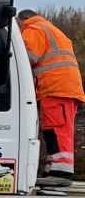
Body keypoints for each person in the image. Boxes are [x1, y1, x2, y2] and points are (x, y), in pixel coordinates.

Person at [17, 9, 82, 185]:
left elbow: (26, 59)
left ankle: (61, 173)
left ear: (24, 19)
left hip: (56, 89)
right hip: (63, 88)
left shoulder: (34, 29)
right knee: (54, 130)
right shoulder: (50, 29)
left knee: (56, 130)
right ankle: (53, 169)